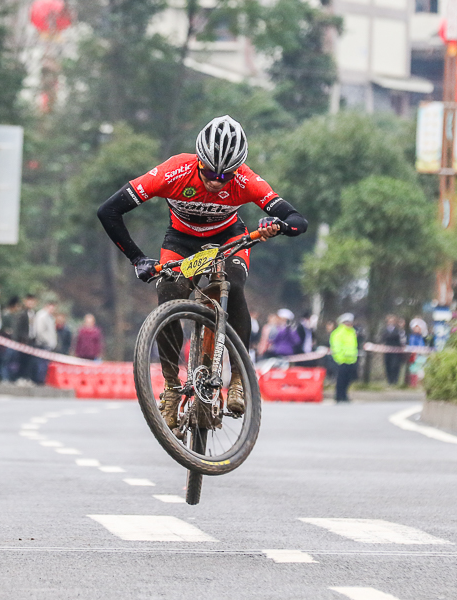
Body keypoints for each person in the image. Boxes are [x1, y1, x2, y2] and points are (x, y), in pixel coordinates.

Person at [97, 115, 308, 426]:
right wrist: (137, 258)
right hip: (182, 240)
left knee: (233, 284)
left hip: (229, 238)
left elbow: (296, 219)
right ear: (198, 161)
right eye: (210, 172)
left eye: (226, 176)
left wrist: (277, 225)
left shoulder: (245, 180)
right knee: (168, 293)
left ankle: (238, 378)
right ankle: (171, 387)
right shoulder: (174, 171)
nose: (217, 181)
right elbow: (109, 211)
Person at [330, 313, 358, 402]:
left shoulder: (352, 332)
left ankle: (344, 395)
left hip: (351, 360)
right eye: (347, 322)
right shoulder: (338, 333)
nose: (349, 324)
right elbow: (336, 346)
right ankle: (339, 396)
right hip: (341, 360)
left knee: (347, 380)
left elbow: (353, 345)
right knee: (340, 380)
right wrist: (339, 358)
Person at [33, 301, 58, 384]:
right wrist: (48, 341)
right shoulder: (42, 316)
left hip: (47, 344)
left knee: (45, 364)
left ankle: (42, 379)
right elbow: (40, 331)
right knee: (41, 364)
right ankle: (39, 380)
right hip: (43, 344)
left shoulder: (49, 317)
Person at [380, 314, 405, 385]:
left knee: (395, 366)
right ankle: (389, 381)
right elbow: (382, 338)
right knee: (387, 365)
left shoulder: (398, 330)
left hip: (396, 352)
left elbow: (400, 339)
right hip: (387, 351)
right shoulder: (384, 330)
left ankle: (395, 380)